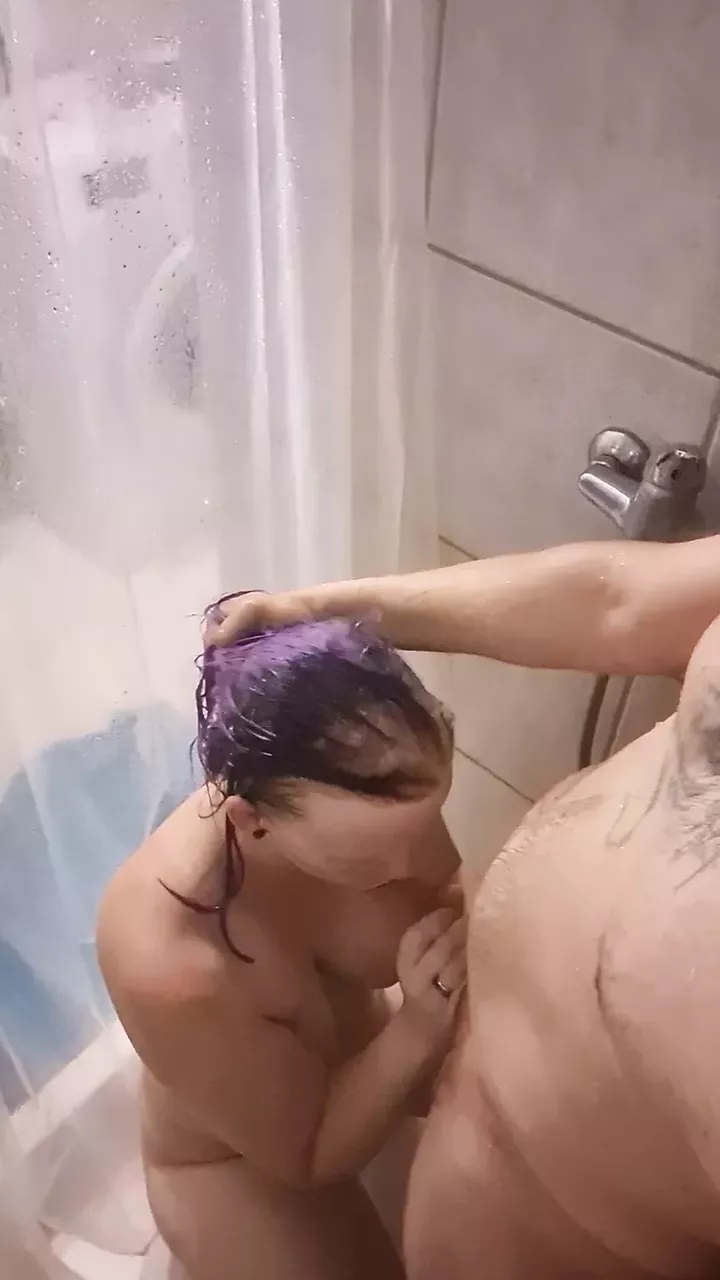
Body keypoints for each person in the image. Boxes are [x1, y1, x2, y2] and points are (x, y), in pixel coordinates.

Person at [209, 534, 720, 1279]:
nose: (403, 870)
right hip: (442, 1134)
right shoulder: (183, 945)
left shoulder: (359, 825)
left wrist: (416, 1033)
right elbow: (620, 599)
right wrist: (323, 609)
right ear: (252, 823)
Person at [98, 614, 466, 1280]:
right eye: (371, 856)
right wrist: (417, 1029)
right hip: (242, 1161)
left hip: (369, 1057)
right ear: (253, 823)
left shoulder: (382, 790)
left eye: (426, 821)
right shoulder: (171, 957)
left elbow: (460, 908)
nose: (421, 864)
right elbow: (308, 1155)